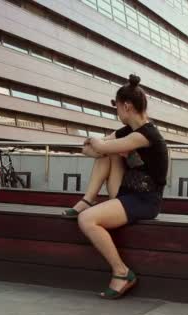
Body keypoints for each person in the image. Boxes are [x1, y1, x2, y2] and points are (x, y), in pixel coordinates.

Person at [62, 74, 169, 299]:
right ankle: (88, 199)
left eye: (118, 108)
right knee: (107, 154)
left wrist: (98, 143)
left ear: (127, 106)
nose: (117, 113)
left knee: (87, 219)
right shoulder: (127, 133)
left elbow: (98, 145)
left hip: (145, 200)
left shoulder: (146, 135)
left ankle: (122, 272)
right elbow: (91, 151)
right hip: (125, 193)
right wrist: (99, 146)